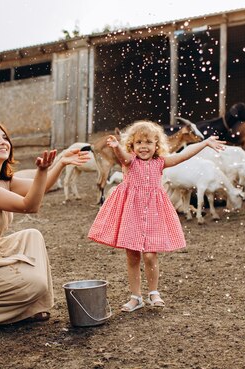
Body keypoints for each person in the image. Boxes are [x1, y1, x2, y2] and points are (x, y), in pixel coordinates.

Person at [0, 121, 91, 336]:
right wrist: (42, 170)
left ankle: (33, 307)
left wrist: (60, 163)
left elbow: (43, 186)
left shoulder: (3, 180)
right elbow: (30, 205)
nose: (3, 142)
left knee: (32, 236)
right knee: (36, 284)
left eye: (4, 137)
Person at [87, 120, 225, 312]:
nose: (144, 147)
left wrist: (205, 142)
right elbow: (123, 157)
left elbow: (184, 155)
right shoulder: (130, 161)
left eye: (149, 142)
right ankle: (136, 297)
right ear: (132, 146)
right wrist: (117, 146)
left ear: (156, 145)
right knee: (132, 255)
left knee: (151, 255)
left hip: (153, 213)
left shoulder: (161, 162)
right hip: (132, 213)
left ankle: (153, 292)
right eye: (139, 143)